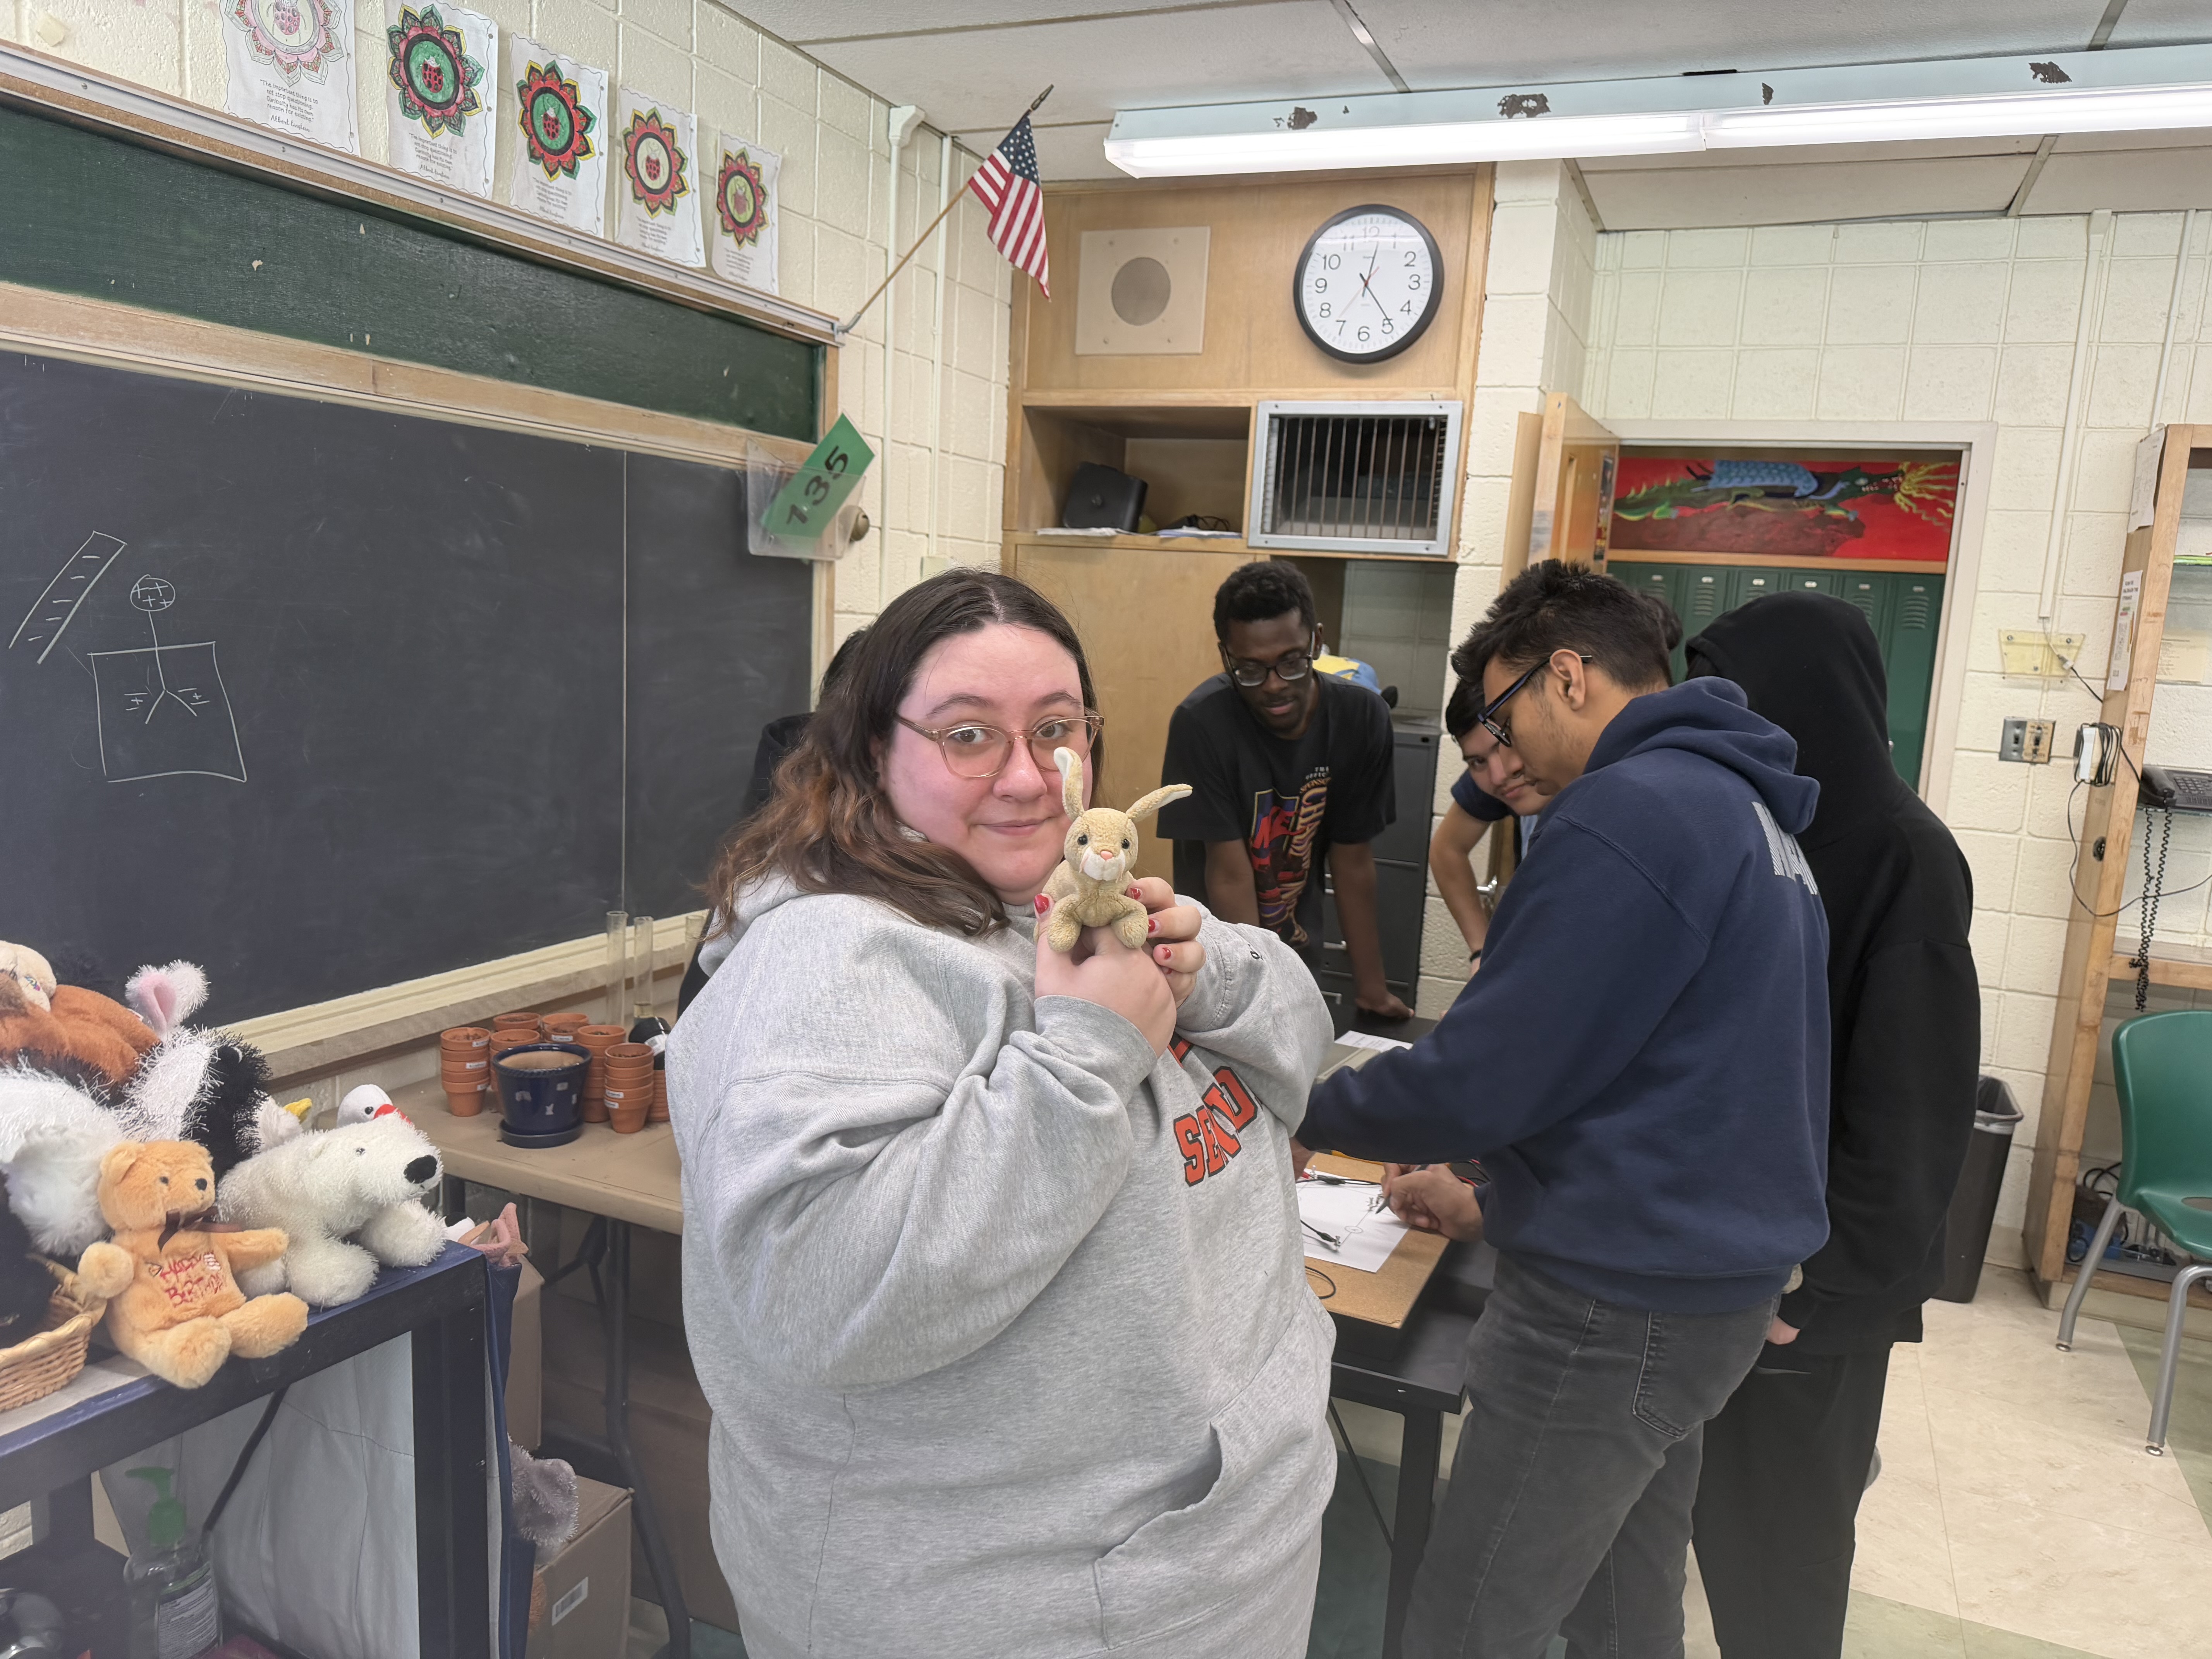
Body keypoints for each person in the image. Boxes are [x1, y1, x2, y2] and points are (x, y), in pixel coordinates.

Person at [667, 569, 1338, 1659]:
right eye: (969, 735)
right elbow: (824, 1290)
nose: (1029, 778)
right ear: (874, 750)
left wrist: (1209, 968)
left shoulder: (1065, 897)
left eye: (1057, 730)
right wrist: (1089, 1054)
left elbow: (1302, 1048)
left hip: (1218, 1555)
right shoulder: (825, 960)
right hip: (1027, 1608)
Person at [1293, 559, 1833, 1659]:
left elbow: (1491, 1074)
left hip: (1613, 1308)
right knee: (1623, 1606)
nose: (1503, 760)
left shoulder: (1630, 811)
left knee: (1472, 1621)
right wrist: (1495, 1198)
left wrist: (1302, 1106)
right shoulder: (1742, 810)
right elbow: (1669, 1076)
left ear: (1570, 677)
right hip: (1699, 1293)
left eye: (1501, 719)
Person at [1682, 594, 1979, 1659]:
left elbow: (1912, 1113)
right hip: (1738, 1266)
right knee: (1713, 1522)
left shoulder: (1905, 855)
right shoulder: (1772, 834)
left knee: (1784, 1558)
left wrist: (1819, 1288)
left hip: (1816, 1293)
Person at [1158, 561, 1410, 1018]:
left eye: (1292, 662)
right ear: (1226, 656)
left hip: (1296, 956)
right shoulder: (1202, 723)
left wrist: (1372, 991)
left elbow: (1353, 863)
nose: (1274, 686)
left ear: (1316, 641)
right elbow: (1229, 876)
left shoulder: (1361, 719)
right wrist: (1263, 1004)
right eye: (1251, 669)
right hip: (1215, 968)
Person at [1432, 593, 1680, 962]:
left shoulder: (1633, 806)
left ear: (1569, 682)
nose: (1504, 770)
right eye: (1478, 761)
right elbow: (1447, 849)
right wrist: (1483, 953)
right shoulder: (1515, 771)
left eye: (1508, 729)